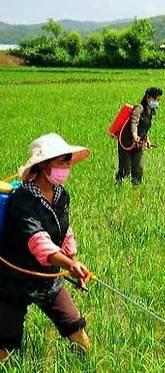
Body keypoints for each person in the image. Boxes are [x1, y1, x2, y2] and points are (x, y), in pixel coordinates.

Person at [0, 134, 92, 362]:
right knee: (5, 348)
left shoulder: (61, 195)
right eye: (62, 162)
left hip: (49, 279)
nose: (67, 167)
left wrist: (74, 262)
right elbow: (38, 242)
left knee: (77, 332)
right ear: (43, 165)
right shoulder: (22, 199)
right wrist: (70, 264)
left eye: (68, 161)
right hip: (14, 281)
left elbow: (65, 231)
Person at [116, 87, 163, 186]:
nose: (157, 102)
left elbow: (144, 128)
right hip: (126, 142)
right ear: (148, 97)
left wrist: (147, 139)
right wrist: (134, 134)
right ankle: (118, 188)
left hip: (138, 145)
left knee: (138, 170)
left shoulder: (151, 112)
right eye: (155, 100)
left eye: (158, 100)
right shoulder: (139, 108)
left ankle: (136, 192)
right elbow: (134, 122)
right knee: (125, 171)